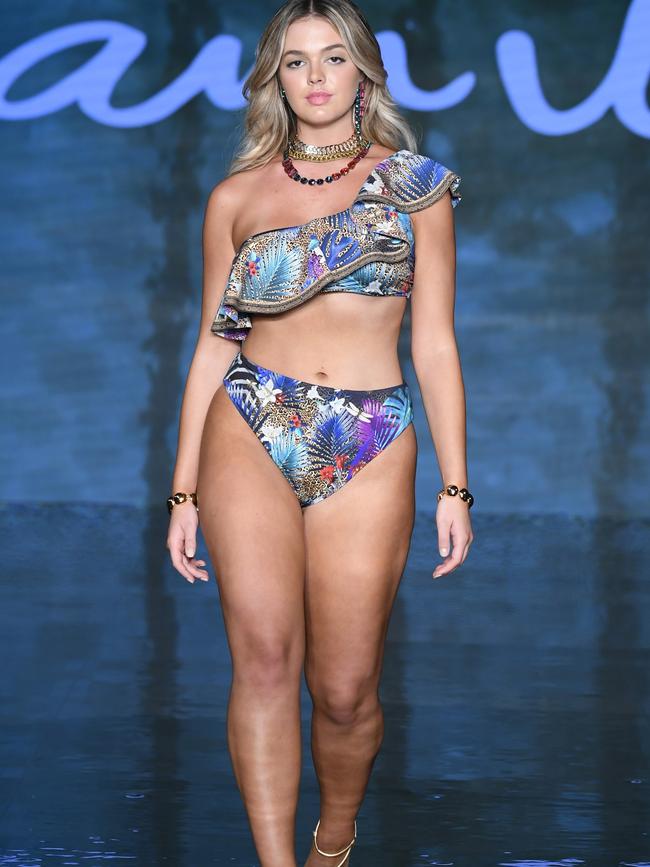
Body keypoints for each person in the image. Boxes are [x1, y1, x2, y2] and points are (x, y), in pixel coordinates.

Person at [166, 1, 474, 864]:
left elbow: (437, 341)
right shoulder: (236, 197)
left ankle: (331, 846)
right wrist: (182, 489)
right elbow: (208, 348)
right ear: (275, 79)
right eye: (295, 62)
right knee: (262, 659)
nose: (314, 77)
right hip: (251, 420)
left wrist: (456, 483)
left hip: (372, 436)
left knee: (343, 692)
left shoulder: (419, 186)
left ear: (364, 73)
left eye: (332, 58)